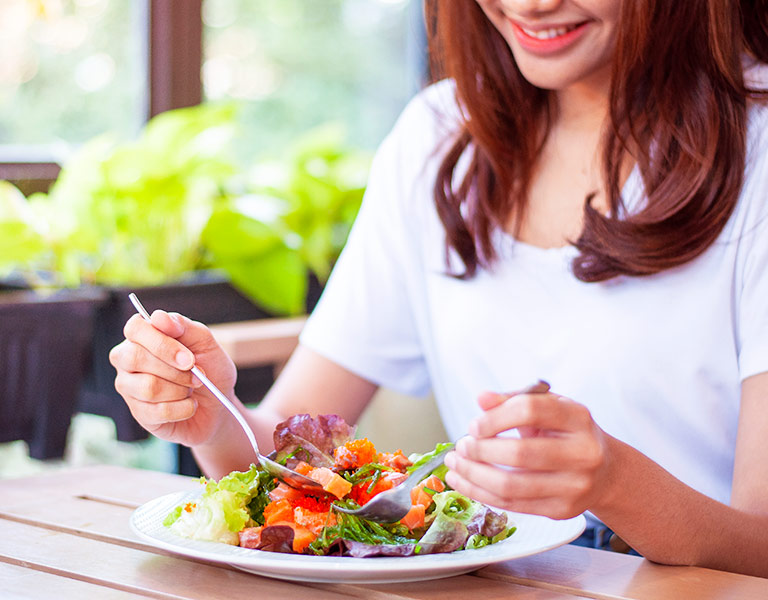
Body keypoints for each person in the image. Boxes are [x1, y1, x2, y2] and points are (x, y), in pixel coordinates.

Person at [110, 0, 768, 577]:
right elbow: (278, 460)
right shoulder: (441, 139)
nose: (531, 5)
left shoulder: (758, 148)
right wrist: (211, 412)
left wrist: (616, 485)